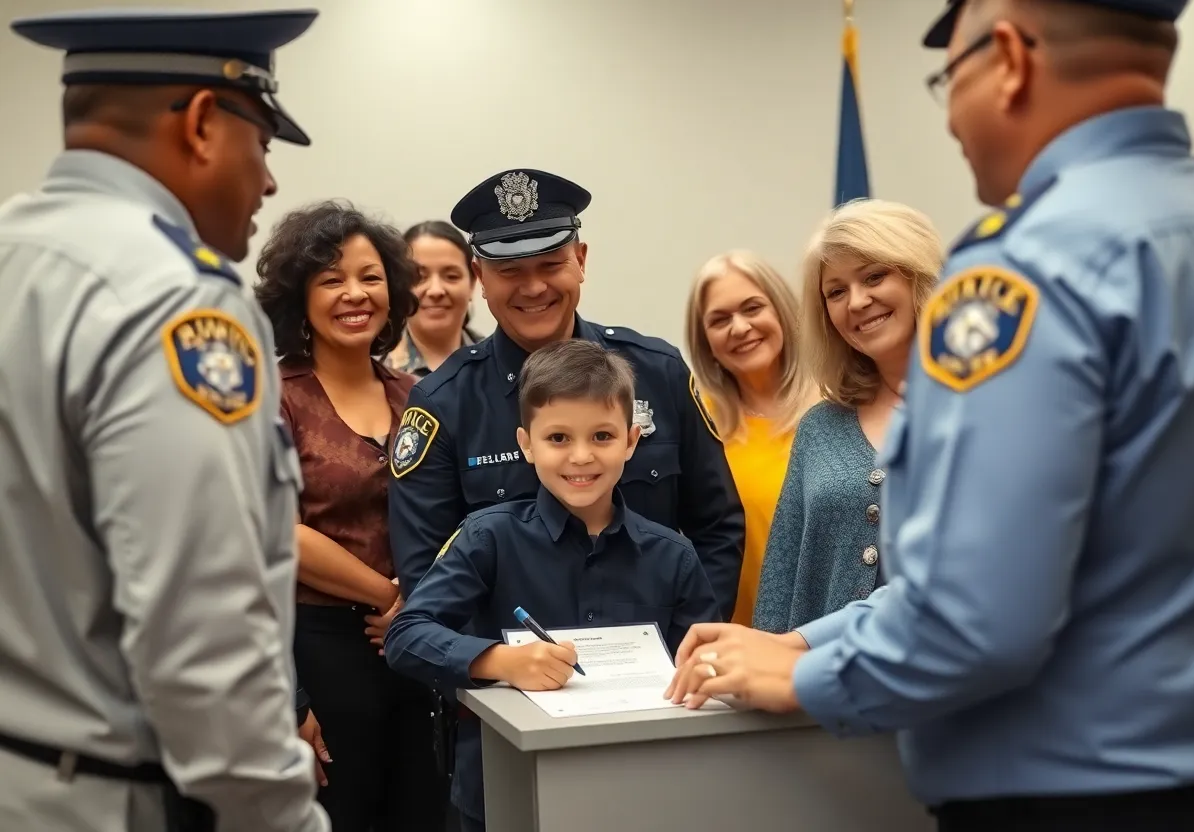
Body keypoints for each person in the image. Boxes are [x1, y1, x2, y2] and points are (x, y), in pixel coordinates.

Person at [667, 1, 1194, 830]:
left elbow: (978, 609)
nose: (953, 118)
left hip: (1072, 788)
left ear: (1008, 59)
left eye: (946, 79)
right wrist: (805, 639)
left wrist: (803, 679)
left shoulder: (1030, 272)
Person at [0, 8, 329, 832]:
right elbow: (203, 636)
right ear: (204, 123)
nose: (270, 181)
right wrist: (282, 818)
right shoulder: (174, 299)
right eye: (263, 142)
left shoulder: (16, 255)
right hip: (109, 798)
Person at [384, 338, 720, 832]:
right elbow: (406, 635)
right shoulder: (487, 538)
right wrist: (498, 660)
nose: (581, 457)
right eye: (558, 438)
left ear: (631, 440)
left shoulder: (674, 556)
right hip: (505, 788)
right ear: (525, 444)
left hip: (639, 787)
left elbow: (703, 666)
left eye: (602, 437)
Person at [387, 168, 744, 620]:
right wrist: (499, 671)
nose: (533, 287)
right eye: (509, 270)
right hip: (507, 680)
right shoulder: (444, 404)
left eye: (551, 265)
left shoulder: (659, 372)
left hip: (659, 676)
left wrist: (689, 643)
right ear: (480, 277)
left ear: (581, 259)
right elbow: (426, 574)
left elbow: (716, 527)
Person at [255, 201, 447, 831]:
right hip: (318, 650)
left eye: (369, 277)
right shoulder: (273, 397)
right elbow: (276, 529)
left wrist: (413, 612)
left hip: (417, 650)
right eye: (331, 279)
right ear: (299, 298)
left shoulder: (417, 394)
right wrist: (389, 597)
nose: (354, 294)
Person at [752, 200, 943, 634]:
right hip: (828, 693)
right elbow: (780, 583)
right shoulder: (820, 428)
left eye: (874, 276)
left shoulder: (984, 406)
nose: (857, 301)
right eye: (836, 291)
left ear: (919, 278)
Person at [683, 250, 818, 626]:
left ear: (783, 311)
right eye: (720, 320)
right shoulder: (697, 418)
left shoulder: (840, 403)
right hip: (735, 647)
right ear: (704, 340)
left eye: (752, 308)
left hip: (833, 640)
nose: (739, 328)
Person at [384, 220, 485, 376]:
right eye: (419, 277)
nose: (436, 291)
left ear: (472, 283)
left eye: (451, 276)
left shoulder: (503, 364)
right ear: (399, 286)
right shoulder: (374, 369)